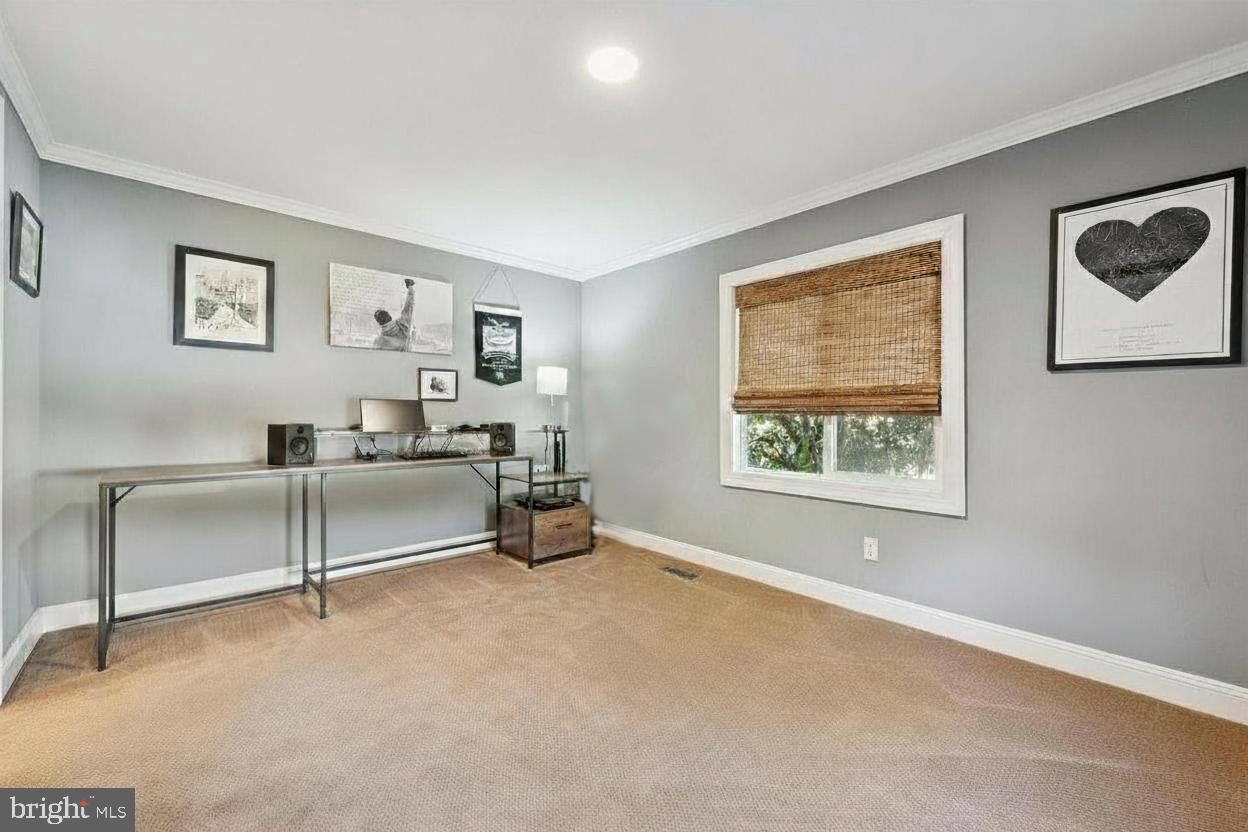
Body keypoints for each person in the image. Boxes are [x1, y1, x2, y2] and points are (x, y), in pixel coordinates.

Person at [373, 278, 415, 350]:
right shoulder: (402, 325)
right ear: (390, 317)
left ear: (379, 323)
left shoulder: (379, 341)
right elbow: (409, 306)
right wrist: (410, 287)